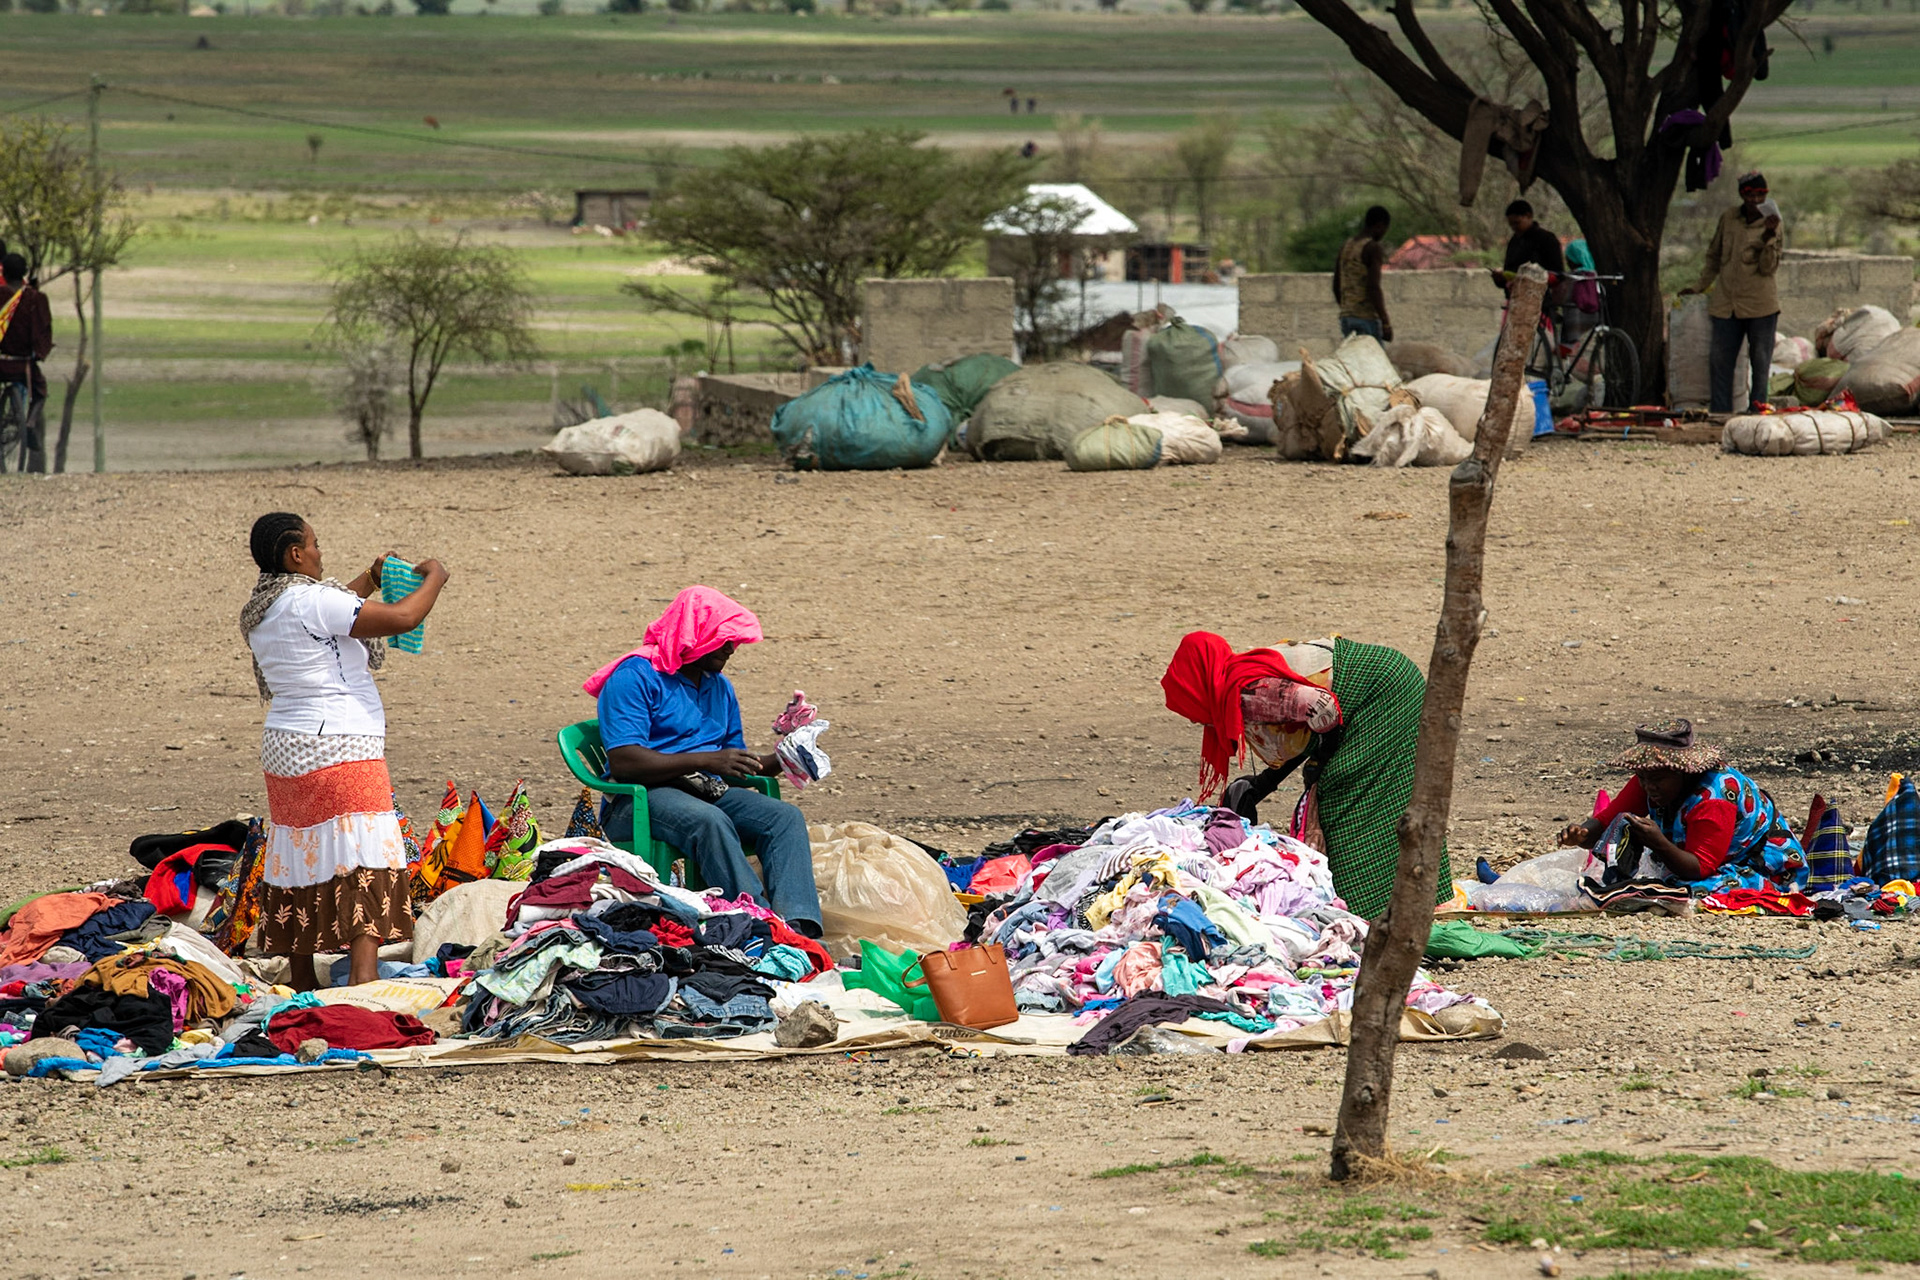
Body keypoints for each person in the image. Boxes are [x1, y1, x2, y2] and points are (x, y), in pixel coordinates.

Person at [240, 512, 448, 989]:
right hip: (339, 743)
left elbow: (335, 610)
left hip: (285, 748)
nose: (320, 552)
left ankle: (301, 976)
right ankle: (362, 974)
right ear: (296, 554)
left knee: (299, 851)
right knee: (362, 851)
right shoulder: (312, 600)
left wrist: (371, 579)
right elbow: (404, 617)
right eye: (314, 544)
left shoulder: (264, 607)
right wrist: (435, 576)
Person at [583, 585, 824, 936]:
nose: (731, 648)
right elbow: (625, 762)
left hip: (703, 789)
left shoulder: (718, 686)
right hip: (638, 799)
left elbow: (732, 764)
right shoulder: (634, 676)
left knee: (784, 818)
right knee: (710, 821)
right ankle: (757, 923)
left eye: (734, 640)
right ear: (691, 635)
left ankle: (800, 929)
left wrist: (786, 755)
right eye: (723, 639)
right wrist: (708, 760)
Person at [1161, 633, 1450, 920]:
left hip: (1383, 694)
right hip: (1388, 680)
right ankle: (1404, 902)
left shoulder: (1251, 693)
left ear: (1198, 690)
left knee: (1341, 801)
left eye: (1190, 708)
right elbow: (1305, 728)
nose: (1193, 719)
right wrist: (1264, 783)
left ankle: (1366, 910)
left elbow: (1323, 709)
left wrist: (1319, 768)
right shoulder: (1240, 677)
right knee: (1375, 798)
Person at [1558, 720, 1804, 888]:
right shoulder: (1650, 778)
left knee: (1687, 891)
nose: (1648, 786)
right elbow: (1606, 822)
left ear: (1682, 771)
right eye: (1642, 777)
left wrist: (1658, 843)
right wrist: (1582, 834)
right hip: (1700, 860)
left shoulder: (1714, 798)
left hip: (1762, 865)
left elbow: (1700, 868)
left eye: (1657, 779)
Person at [1681, 171, 1782, 415]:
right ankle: (1720, 415)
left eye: (1760, 195)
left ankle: (1757, 414)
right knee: (1719, 362)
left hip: (1760, 305)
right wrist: (1699, 286)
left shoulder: (1773, 223)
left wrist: (1768, 237)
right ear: (1742, 195)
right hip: (1726, 304)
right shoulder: (1729, 218)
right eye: (1750, 194)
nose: (1755, 200)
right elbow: (1714, 256)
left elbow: (1768, 268)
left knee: (1760, 364)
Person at [0, 252, 54, 474]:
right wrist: (39, 354)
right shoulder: (35, 299)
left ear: (3, 272)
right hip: (23, 366)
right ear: (24, 273)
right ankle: (30, 422)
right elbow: (43, 331)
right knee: (40, 391)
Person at [1333, 206, 1393, 342]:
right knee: (1375, 355)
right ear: (1379, 226)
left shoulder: (1346, 246)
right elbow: (1373, 287)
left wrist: (1348, 309)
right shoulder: (1372, 248)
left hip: (1346, 318)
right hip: (1366, 319)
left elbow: (1336, 285)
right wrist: (1385, 322)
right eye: (1384, 229)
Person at [1490, 199, 1565, 299]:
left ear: (1528, 216)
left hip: (1540, 299)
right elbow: (1509, 269)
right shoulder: (1514, 241)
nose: (1514, 228)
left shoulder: (1546, 239)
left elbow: (1558, 275)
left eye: (1517, 223)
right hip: (1515, 298)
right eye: (1511, 225)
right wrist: (1501, 278)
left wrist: (1529, 281)